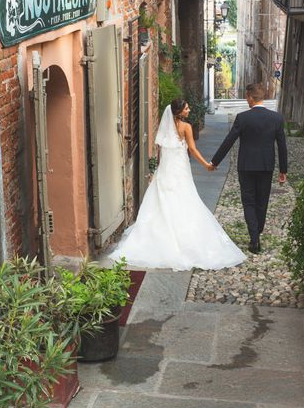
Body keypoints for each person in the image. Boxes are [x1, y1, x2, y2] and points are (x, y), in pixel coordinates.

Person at [109, 99, 246, 271]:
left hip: (165, 172)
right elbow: (193, 150)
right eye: (187, 108)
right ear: (179, 111)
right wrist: (207, 165)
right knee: (186, 200)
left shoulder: (164, 128)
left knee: (162, 202)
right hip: (180, 171)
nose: (189, 110)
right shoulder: (186, 127)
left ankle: (161, 239)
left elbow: (160, 154)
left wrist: (157, 172)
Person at [209, 83, 288, 254]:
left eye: (247, 97)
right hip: (266, 166)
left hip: (246, 166)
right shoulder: (277, 119)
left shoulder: (243, 118)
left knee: (249, 201)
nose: (246, 100)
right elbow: (282, 146)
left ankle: (254, 238)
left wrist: (215, 162)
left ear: (251, 98)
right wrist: (283, 171)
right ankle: (257, 230)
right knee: (262, 201)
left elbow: (229, 140)